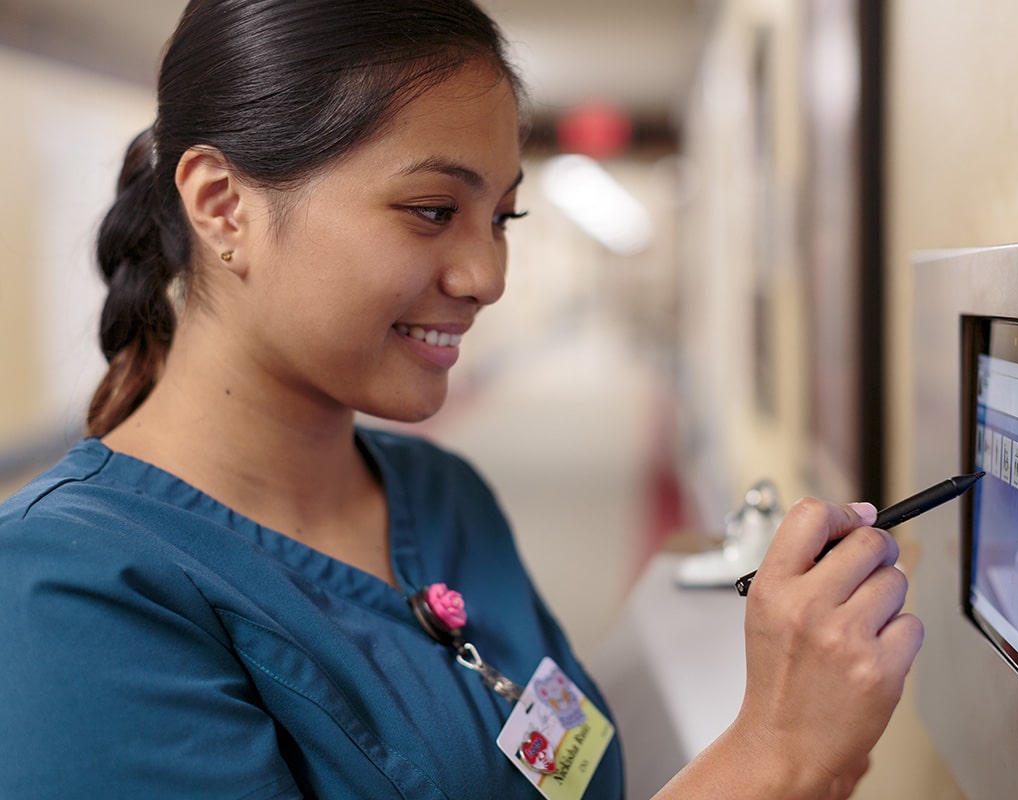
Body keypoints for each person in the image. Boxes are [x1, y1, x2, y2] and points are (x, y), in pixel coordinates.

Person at [0, 1, 923, 798]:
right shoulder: (69, 594)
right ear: (222, 204)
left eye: (503, 218)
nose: (488, 275)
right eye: (433, 210)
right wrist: (776, 762)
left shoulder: (445, 503)